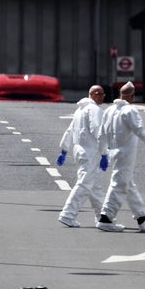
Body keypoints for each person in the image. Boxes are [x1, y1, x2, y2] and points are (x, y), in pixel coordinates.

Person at [96, 81, 145, 232]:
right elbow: (139, 130)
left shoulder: (109, 110)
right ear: (132, 96)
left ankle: (142, 218)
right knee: (119, 185)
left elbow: (101, 134)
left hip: (113, 152)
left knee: (127, 184)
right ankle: (106, 217)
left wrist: (103, 154)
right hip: (126, 153)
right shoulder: (130, 111)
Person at [56, 84, 107, 228]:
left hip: (80, 152)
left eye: (102, 93)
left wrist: (64, 150)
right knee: (85, 184)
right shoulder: (95, 110)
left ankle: (102, 217)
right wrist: (104, 153)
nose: (101, 96)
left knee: (95, 187)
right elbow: (98, 131)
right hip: (90, 152)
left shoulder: (80, 109)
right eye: (98, 93)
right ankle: (68, 213)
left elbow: (70, 131)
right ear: (91, 94)